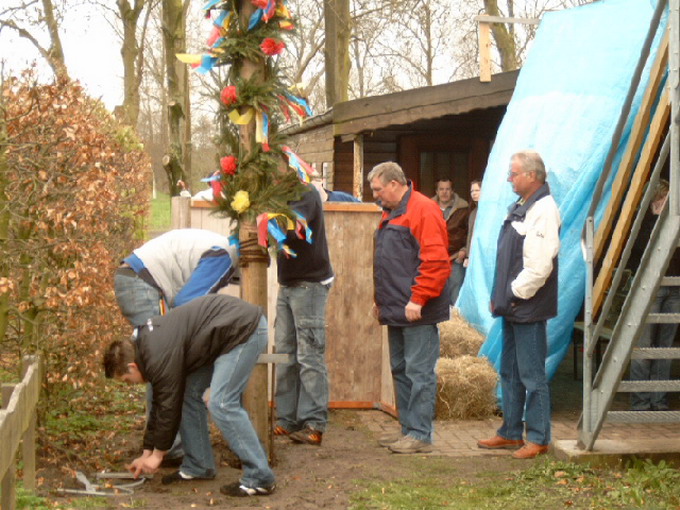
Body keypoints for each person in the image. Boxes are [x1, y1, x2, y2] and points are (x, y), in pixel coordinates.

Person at [103, 294, 276, 497]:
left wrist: (158, 456)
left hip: (243, 330)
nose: (129, 384)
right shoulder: (147, 350)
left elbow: (169, 407)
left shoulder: (158, 355)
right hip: (220, 336)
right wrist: (146, 452)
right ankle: (199, 465)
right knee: (187, 394)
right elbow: (160, 404)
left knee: (222, 403)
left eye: (126, 380)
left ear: (132, 367)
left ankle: (260, 478)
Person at [114, 228, 239, 462]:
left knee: (159, 361)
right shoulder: (225, 256)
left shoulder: (217, 247)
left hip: (136, 279)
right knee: (158, 363)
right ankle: (168, 449)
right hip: (142, 284)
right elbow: (187, 303)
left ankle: (163, 445)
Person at [477, 150, 561, 459]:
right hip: (512, 304)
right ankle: (511, 432)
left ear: (532, 176)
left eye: (514, 174)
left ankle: (538, 437)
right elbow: (508, 258)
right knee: (510, 372)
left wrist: (511, 293)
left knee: (532, 374)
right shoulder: (522, 206)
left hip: (527, 306)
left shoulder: (544, 210)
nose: (509, 179)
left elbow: (539, 267)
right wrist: (500, 296)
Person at [369, 161, 451, 454]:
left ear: (394, 184)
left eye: (378, 189)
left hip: (418, 309)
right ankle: (407, 429)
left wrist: (419, 298)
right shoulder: (392, 211)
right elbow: (387, 263)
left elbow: (436, 262)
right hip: (397, 308)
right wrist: (381, 303)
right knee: (401, 369)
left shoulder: (423, 210)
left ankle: (420, 434)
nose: (376, 195)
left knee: (419, 372)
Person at [273, 184, 334, 445]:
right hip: (287, 284)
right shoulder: (274, 195)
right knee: (285, 354)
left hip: (309, 284)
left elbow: (297, 229)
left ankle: (313, 422)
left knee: (309, 355)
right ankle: (287, 419)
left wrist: (265, 223)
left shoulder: (304, 193)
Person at [115, 228, 239, 326]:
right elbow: (186, 305)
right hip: (142, 280)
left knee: (152, 345)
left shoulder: (220, 246)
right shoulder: (224, 256)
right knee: (159, 346)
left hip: (137, 275)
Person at [628, 179, 680, 411]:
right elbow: (640, 250)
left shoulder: (675, 221)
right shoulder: (645, 221)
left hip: (675, 286)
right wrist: (658, 215)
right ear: (656, 197)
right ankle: (640, 402)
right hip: (651, 287)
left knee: (665, 348)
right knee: (644, 346)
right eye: (666, 197)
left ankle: (658, 401)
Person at [431, 178, 469, 305]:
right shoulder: (428, 208)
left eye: (447, 189)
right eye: (441, 189)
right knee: (435, 293)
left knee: (455, 294)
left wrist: (464, 250)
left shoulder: (463, 209)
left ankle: (454, 323)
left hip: (454, 257)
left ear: (452, 191)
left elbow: (470, 233)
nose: (444, 192)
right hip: (433, 258)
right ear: (436, 191)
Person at [462, 180, 482, 269]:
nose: (474, 193)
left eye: (477, 190)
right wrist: (467, 255)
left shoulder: (489, 211)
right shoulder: (473, 212)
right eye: (472, 191)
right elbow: (470, 235)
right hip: (472, 255)